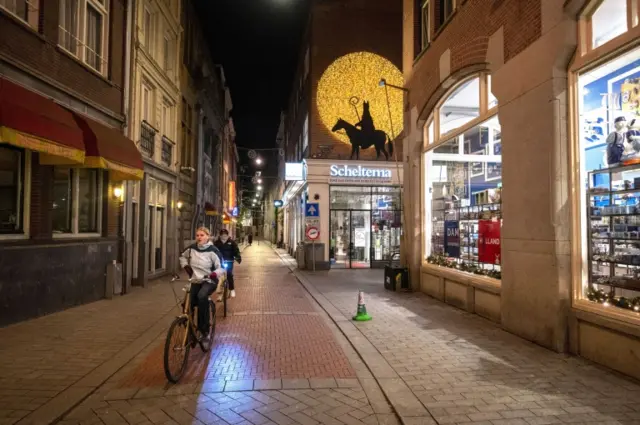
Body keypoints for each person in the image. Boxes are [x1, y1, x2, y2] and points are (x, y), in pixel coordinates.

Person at [179, 227, 225, 341]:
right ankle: (189, 329)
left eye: (202, 235)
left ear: (207, 237)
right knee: (188, 303)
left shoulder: (213, 250)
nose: (199, 237)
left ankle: (204, 330)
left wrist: (214, 274)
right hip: (196, 279)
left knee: (201, 296)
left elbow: (221, 267)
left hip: (209, 280)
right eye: (197, 235)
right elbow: (182, 256)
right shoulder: (191, 248)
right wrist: (186, 266)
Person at [214, 229, 242, 299]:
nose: (224, 235)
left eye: (225, 234)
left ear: (227, 234)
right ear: (220, 235)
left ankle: (232, 289)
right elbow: (213, 251)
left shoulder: (232, 242)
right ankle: (220, 294)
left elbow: (236, 250)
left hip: (229, 261)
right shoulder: (217, 243)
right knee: (219, 276)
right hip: (219, 262)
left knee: (229, 274)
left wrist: (237, 257)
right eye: (222, 234)